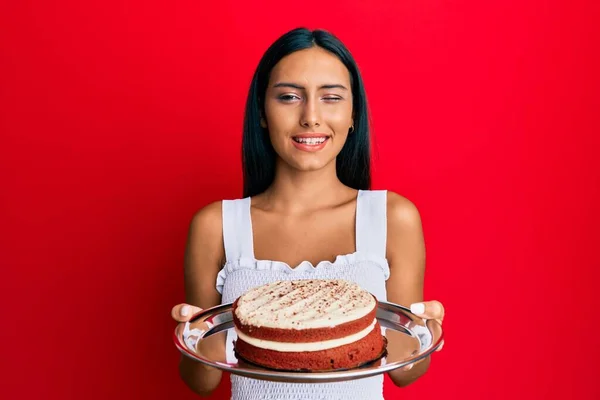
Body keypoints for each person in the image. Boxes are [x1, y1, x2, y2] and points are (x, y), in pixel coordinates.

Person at [170, 27, 445, 399]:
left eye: (331, 97)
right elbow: (203, 381)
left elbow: (403, 369)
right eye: (288, 97)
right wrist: (190, 334)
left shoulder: (392, 218)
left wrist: (427, 331)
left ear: (353, 115)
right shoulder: (216, 226)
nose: (310, 117)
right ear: (262, 113)